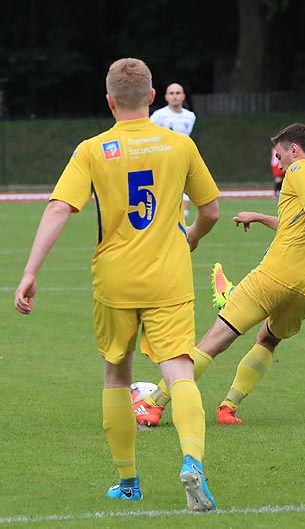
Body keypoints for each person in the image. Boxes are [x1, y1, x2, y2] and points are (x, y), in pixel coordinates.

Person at [14, 58, 219, 511]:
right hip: (168, 276)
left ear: (109, 101)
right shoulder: (179, 144)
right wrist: (192, 237)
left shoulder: (92, 149)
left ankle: (128, 482)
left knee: (116, 372)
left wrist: (30, 272)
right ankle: (192, 462)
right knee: (179, 369)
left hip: (114, 280)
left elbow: (58, 209)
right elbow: (210, 210)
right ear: (151, 97)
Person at [133, 123, 305, 426]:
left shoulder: (300, 171)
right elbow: (304, 221)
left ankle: (153, 404)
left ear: (295, 150)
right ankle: (229, 408)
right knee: (268, 340)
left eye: (280, 154)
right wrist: (259, 217)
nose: (279, 162)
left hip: (276, 276)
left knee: (214, 340)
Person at [150, 82, 197, 220]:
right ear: (166, 97)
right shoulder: (158, 116)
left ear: (183, 96)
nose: (174, 96)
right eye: (171, 93)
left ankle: (183, 216)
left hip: (182, 159)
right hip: (163, 159)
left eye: (177, 93)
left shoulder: (190, 116)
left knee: (184, 185)